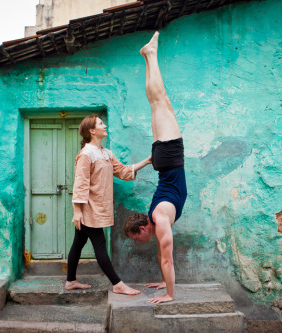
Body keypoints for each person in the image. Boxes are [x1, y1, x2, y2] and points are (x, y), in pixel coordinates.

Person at [123, 31, 187, 304]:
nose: (137, 243)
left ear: (143, 229)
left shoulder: (159, 220)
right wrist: (164, 283)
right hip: (165, 158)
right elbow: (165, 258)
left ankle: (151, 55)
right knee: (159, 103)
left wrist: (169, 295)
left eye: (135, 239)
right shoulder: (157, 219)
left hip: (169, 156)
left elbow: (167, 258)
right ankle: (149, 56)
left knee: (159, 102)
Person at [66, 114, 151, 295]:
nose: (105, 126)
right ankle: (117, 284)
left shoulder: (106, 153)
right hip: (89, 207)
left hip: (99, 205)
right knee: (99, 243)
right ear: (92, 130)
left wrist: (147, 161)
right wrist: (77, 211)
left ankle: (71, 281)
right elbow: (80, 183)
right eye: (101, 124)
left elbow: (122, 171)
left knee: (78, 242)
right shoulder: (86, 154)